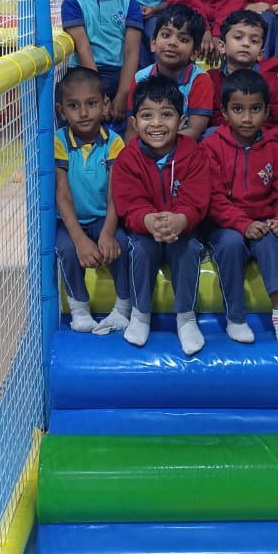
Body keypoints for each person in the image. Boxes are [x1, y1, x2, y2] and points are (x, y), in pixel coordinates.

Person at [203, 71, 278, 369]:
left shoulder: (276, 153)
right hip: (225, 226)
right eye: (238, 109)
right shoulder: (210, 148)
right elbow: (213, 199)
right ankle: (235, 318)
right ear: (224, 113)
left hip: (263, 223)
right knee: (231, 243)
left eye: (255, 109)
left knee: (271, 241)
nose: (247, 118)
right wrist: (242, 224)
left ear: (267, 112)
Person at [111, 75, 210, 355]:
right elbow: (128, 203)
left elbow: (198, 199)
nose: (156, 123)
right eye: (147, 116)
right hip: (146, 230)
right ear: (134, 123)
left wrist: (181, 219)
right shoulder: (128, 158)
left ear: (181, 121)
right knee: (140, 249)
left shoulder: (194, 154)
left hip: (182, 228)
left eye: (166, 115)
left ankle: (186, 317)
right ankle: (140, 314)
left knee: (188, 249)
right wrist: (148, 220)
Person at [55, 67, 130, 334]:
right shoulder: (59, 141)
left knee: (121, 243)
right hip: (70, 221)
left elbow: (116, 192)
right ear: (62, 111)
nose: (84, 113)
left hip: (102, 217)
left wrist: (108, 233)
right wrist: (79, 239)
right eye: (74, 106)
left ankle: (123, 307)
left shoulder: (114, 143)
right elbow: (62, 193)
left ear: (105, 105)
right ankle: (79, 308)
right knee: (65, 248)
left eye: (91, 103)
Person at [60, 0, 142, 126]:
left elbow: (132, 52)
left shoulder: (130, 4)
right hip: (86, 73)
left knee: (132, 120)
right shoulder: (73, 3)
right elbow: (83, 48)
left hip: (121, 75)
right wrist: (99, 95)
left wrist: (122, 95)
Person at [208, 9, 278, 146]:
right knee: (210, 133)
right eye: (238, 37)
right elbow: (214, 117)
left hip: (266, 143)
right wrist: (238, 132)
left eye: (254, 41)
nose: (246, 43)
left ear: (260, 54)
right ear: (222, 47)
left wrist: (258, 136)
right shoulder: (212, 80)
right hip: (227, 142)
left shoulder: (274, 83)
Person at [125, 4, 213, 141]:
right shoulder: (140, 78)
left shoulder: (200, 80)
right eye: (166, 35)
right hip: (146, 144)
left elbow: (194, 131)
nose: (172, 43)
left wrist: (160, 144)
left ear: (194, 52)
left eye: (183, 39)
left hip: (183, 145)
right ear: (153, 43)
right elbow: (132, 130)